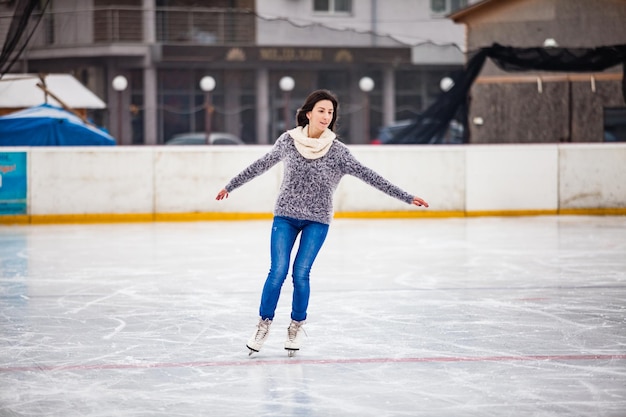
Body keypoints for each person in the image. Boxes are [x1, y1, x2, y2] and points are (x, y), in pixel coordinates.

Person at [215, 89, 428, 356]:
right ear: (308, 113)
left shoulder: (338, 152)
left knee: (301, 273)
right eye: (321, 110)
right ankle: (263, 324)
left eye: (330, 112)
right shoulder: (288, 141)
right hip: (285, 216)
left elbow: (370, 176)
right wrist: (230, 186)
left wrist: (407, 197)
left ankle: (295, 326)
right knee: (278, 271)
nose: (327, 116)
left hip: (317, 220)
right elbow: (260, 165)